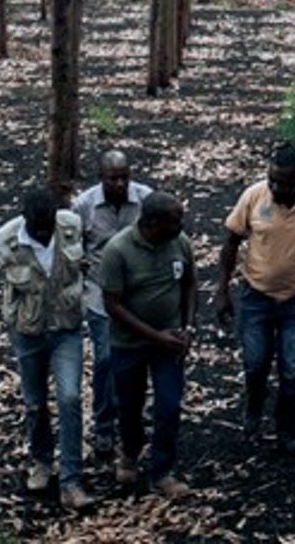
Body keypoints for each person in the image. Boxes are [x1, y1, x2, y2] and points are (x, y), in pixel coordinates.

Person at [216, 143, 295, 455]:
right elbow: (231, 241)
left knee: (294, 370)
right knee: (256, 362)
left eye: (284, 183)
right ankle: (253, 412)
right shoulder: (253, 196)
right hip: (256, 295)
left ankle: (287, 429)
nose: (276, 187)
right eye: (272, 180)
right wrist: (222, 290)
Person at [0, 187, 89, 508]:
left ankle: (71, 479)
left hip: (66, 329)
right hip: (29, 331)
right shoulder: (6, 241)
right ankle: (42, 461)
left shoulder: (71, 226)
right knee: (35, 403)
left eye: (49, 226)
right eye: (39, 228)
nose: (46, 233)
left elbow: (82, 265)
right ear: (26, 220)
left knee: (70, 398)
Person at [98, 191, 196, 499]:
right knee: (129, 405)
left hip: (169, 342)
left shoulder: (179, 243)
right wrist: (155, 336)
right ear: (153, 223)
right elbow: (112, 305)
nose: (182, 223)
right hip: (129, 343)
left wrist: (187, 326)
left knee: (168, 406)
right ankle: (129, 453)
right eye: (175, 220)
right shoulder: (118, 250)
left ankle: (162, 471)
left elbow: (190, 282)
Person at [71, 149, 153, 459]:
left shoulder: (145, 199)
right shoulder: (84, 206)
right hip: (100, 291)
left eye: (124, 177)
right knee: (106, 358)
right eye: (112, 178)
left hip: (137, 292)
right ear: (101, 178)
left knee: (136, 357)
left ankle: (132, 412)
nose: (120, 184)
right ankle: (103, 424)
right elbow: (75, 250)